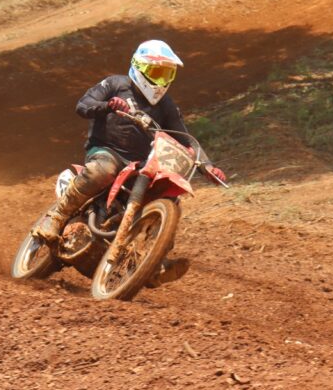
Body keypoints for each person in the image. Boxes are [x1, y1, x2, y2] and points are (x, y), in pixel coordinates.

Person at [32, 39, 226, 267]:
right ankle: (55, 218)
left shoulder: (166, 105)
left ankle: (156, 259)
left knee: (170, 198)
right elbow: (83, 104)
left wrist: (208, 165)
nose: (161, 81)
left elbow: (184, 136)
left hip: (141, 164)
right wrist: (108, 105)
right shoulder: (116, 84)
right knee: (103, 170)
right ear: (138, 66)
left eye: (167, 74)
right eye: (156, 72)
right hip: (106, 151)